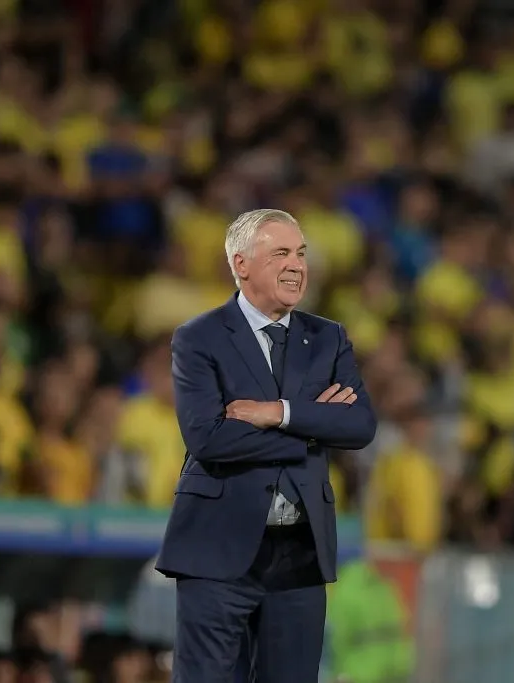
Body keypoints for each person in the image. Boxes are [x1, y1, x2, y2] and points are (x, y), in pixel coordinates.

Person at [156, 209, 377, 682]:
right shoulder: (198, 338)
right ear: (241, 264)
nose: (297, 264)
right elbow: (208, 437)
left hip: (299, 553)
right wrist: (313, 430)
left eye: (301, 253)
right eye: (281, 253)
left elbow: (358, 424)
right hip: (216, 546)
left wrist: (279, 412)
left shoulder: (327, 338)